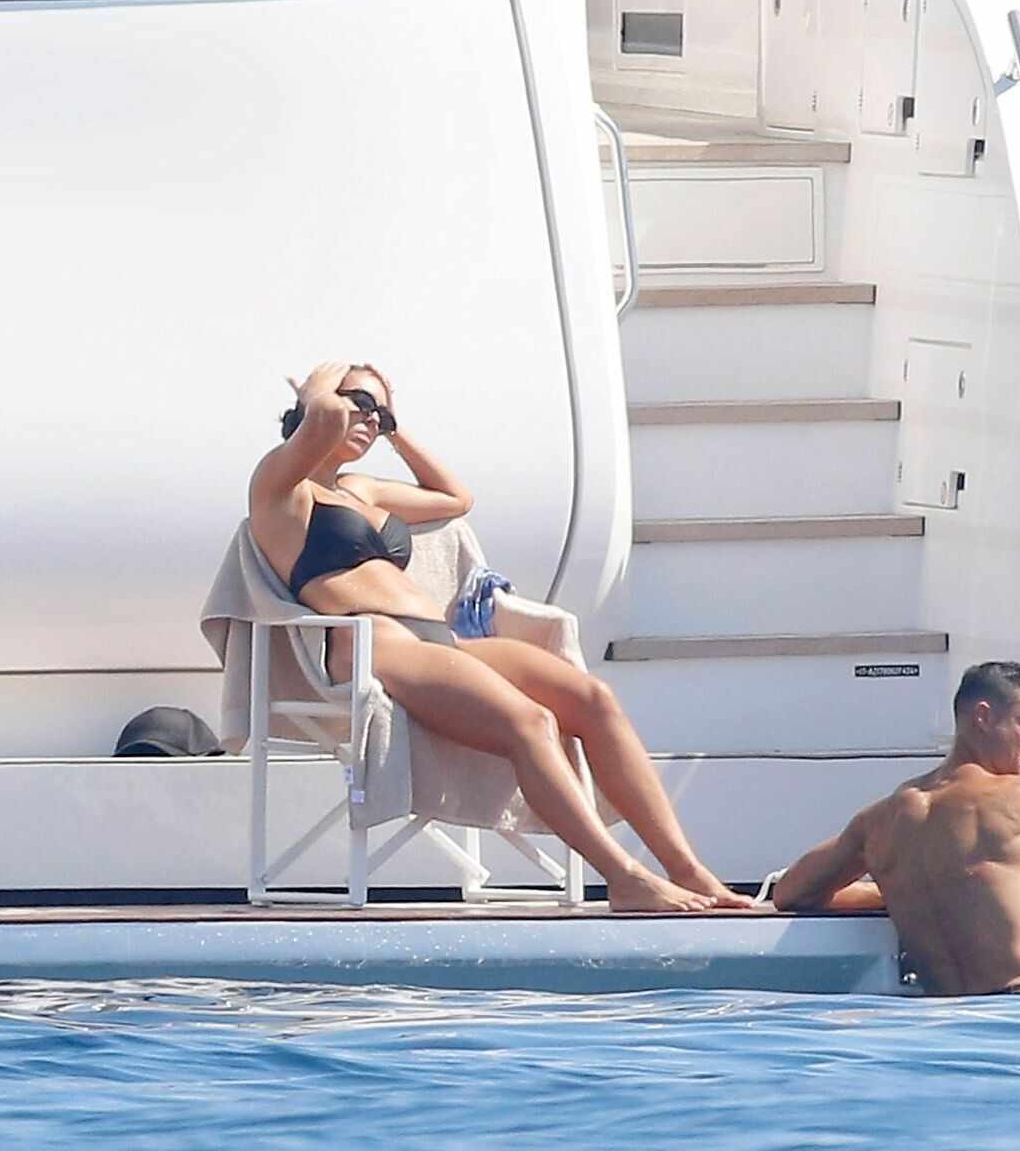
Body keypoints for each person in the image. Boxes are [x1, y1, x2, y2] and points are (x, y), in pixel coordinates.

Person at [248, 361, 751, 912]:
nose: (370, 419)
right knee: (530, 722)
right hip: (377, 643)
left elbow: (455, 497)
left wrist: (392, 427)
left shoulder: (359, 488)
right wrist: (318, 391)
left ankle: (689, 870)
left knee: (593, 699)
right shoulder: (280, 488)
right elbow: (323, 418)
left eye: (381, 414)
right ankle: (624, 877)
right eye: (360, 404)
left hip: (435, 640)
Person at [772, 661, 1020, 995]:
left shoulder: (881, 819)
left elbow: (791, 894)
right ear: (984, 717)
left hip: (940, 1016)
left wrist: (888, 893)